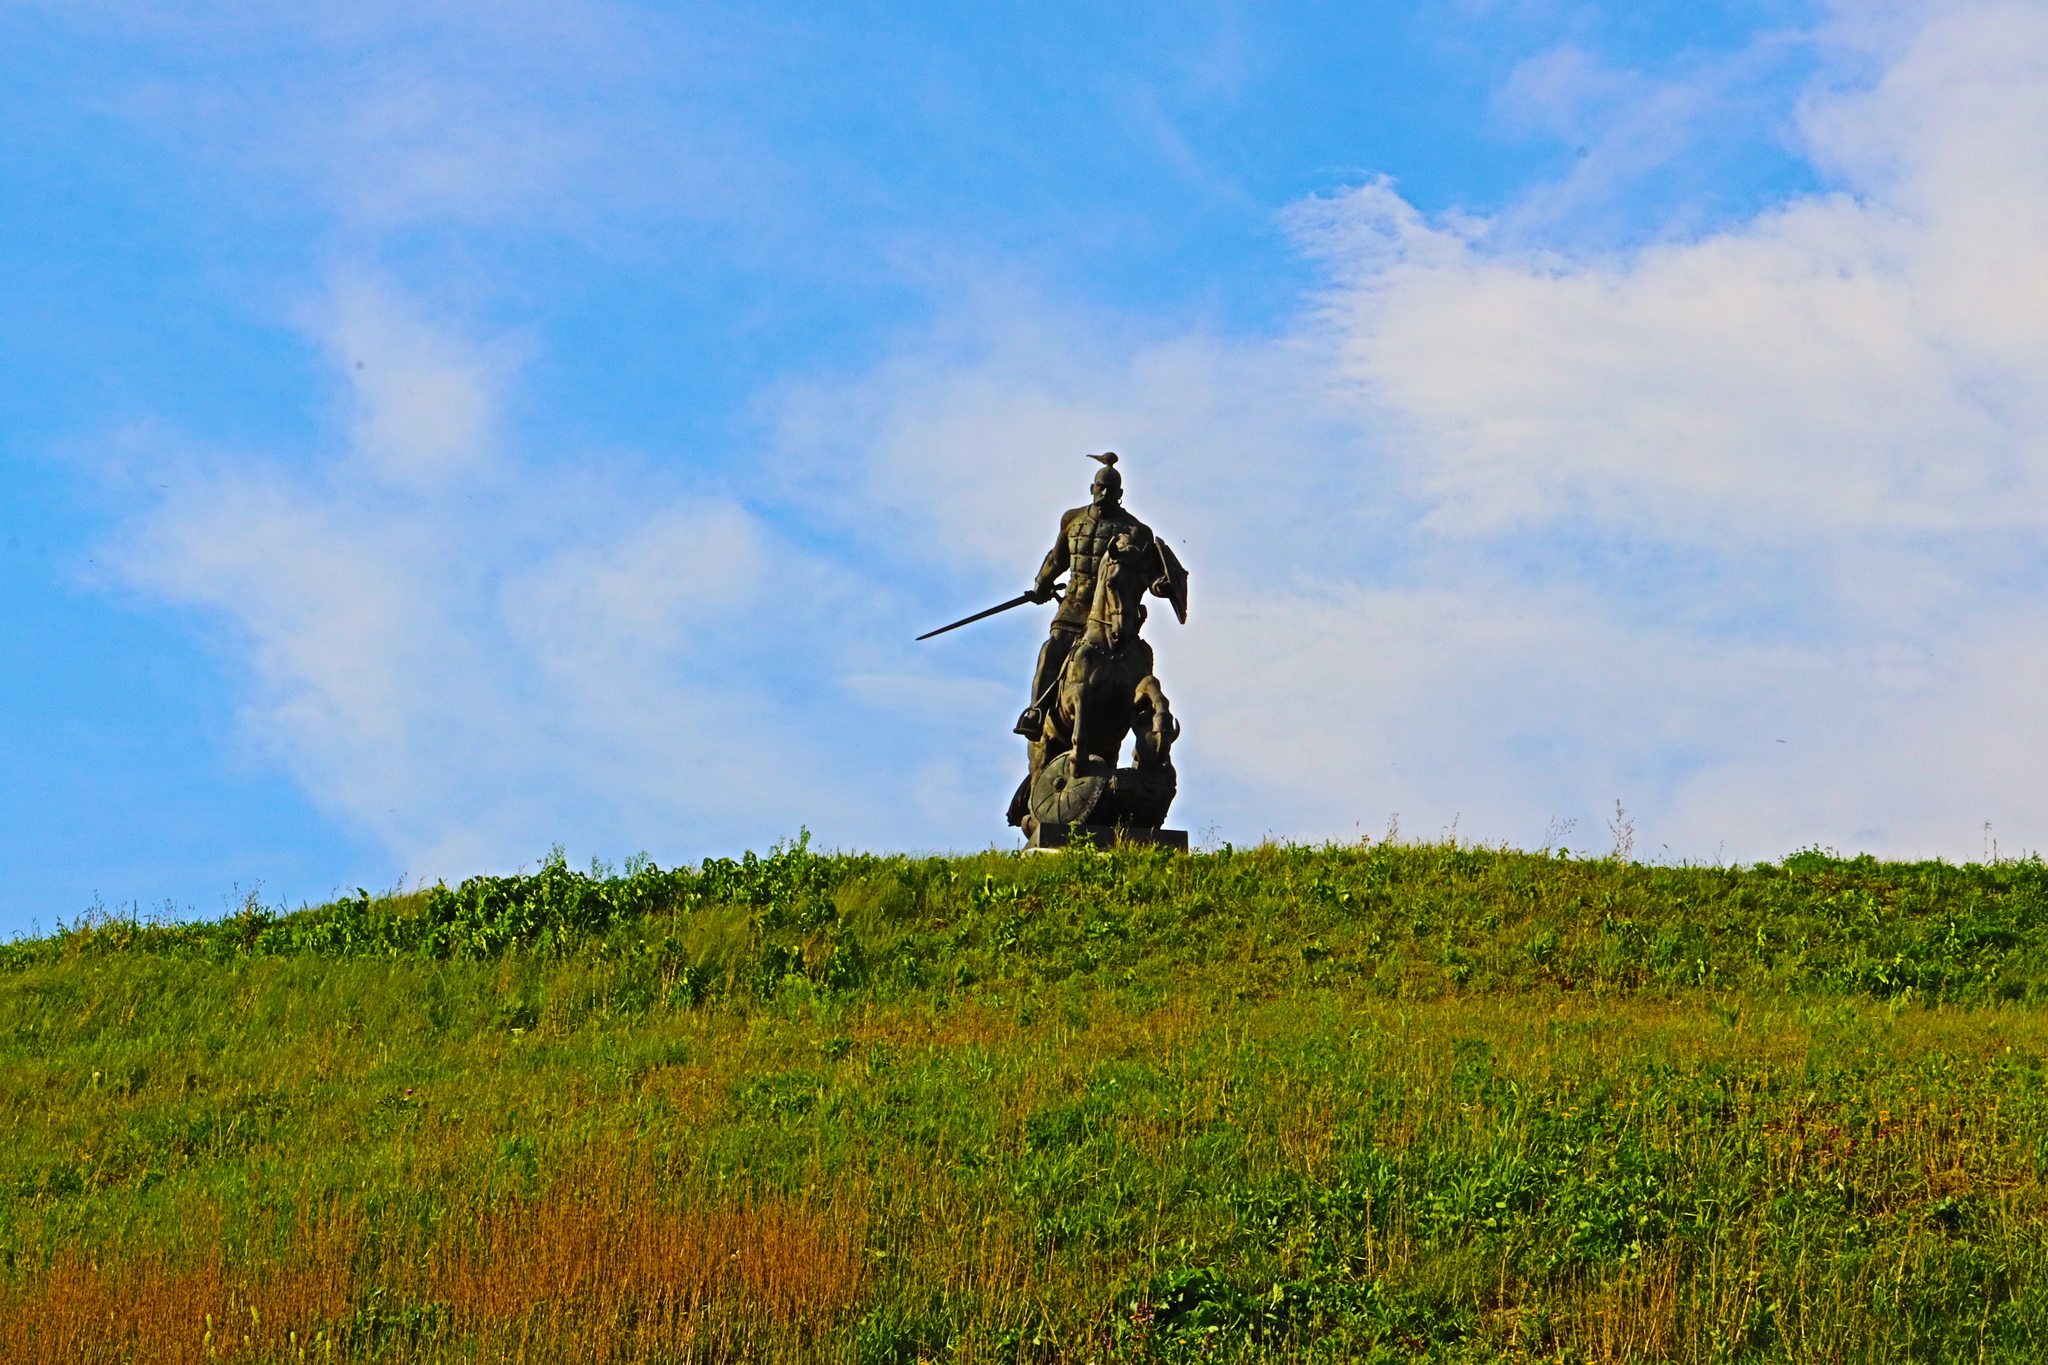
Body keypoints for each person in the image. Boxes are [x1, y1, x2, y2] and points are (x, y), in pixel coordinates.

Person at [1014, 454, 1183, 737]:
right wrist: (1041, 584)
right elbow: (1058, 559)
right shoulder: (1072, 519)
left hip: (1115, 613)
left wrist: (1160, 587)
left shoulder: (1136, 531)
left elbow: (1150, 574)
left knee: (1140, 657)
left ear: (1120, 494)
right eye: (1100, 487)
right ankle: (1036, 711)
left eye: (1111, 490)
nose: (1104, 493)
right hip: (1075, 605)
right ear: (1092, 488)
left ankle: (1142, 716)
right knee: (1053, 649)